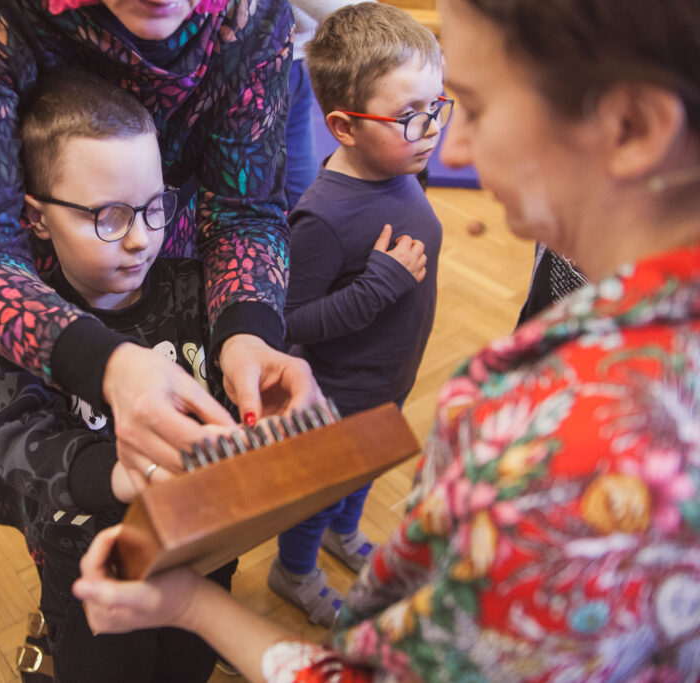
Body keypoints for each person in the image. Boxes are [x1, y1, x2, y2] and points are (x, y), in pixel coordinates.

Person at [72, 0, 700, 680]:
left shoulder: (565, 449)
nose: (453, 148)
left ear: (632, 127)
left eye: (477, 107)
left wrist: (191, 603)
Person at [0, 0, 322, 532]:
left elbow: (245, 205)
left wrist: (248, 333)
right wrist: (110, 364)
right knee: (62, 511)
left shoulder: (252, 13)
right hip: (31, 300)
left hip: (174, 260)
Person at [0, 70, 236, 682]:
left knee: (187, 664)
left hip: (202, 545)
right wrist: (121, 473)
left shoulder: (194, 292)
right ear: (37, 218)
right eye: (109, 217)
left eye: (152, 208)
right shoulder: (24, 322)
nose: (140, 239)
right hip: (90, 565)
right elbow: (18, 443)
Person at [268, 2, 445, 628]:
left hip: (388, 378)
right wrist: (379, 286)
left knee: (366, 470)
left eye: (436, 109)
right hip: (338, 397)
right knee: (318, 496)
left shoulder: (399, 164)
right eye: (408, 117)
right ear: (343, 127)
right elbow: (292, 323)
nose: (429, 131)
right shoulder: (322, 217)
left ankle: (346, 534)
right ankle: (293, 570)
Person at [284, 0, 377, 209]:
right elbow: (344, 11)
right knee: (252, 186)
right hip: (265, 63)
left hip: (298, 59)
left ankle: (305, 233)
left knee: (301, 181)